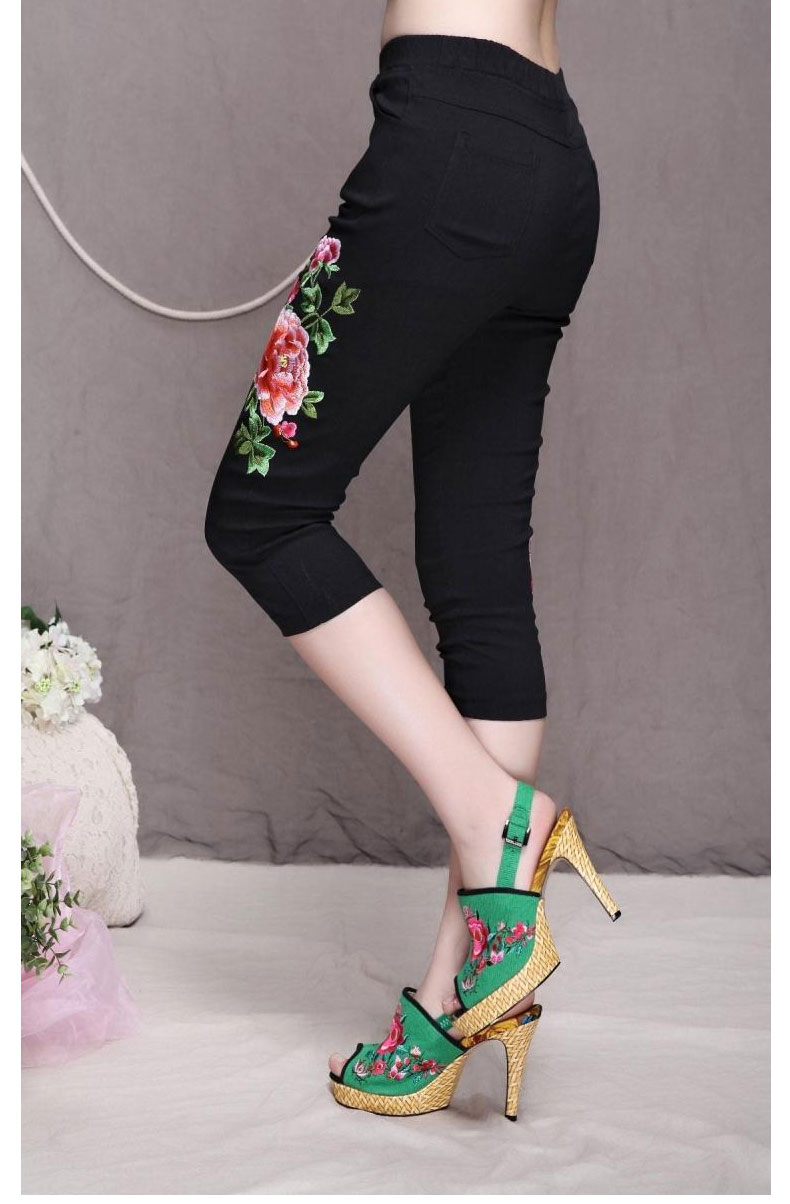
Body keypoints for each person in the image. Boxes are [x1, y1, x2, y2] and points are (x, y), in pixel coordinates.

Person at [205, 0, 620, 1118]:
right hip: (548, 154)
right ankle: (455, 999)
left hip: (451, 139)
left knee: (260, 514)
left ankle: (502, 822)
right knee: (479, 577)